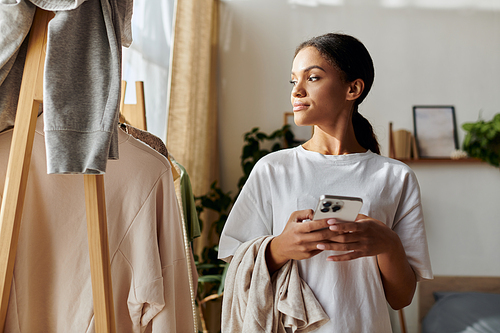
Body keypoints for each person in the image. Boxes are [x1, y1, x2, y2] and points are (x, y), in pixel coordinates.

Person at [218, 32, 433, 333]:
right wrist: (280, 247)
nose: (297, 91)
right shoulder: (274, 169)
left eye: (313, 78)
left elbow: (401, 298)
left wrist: (387, 243)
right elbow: (235, 262)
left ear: (353, 88)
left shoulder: (395, 176)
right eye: (294, 81)